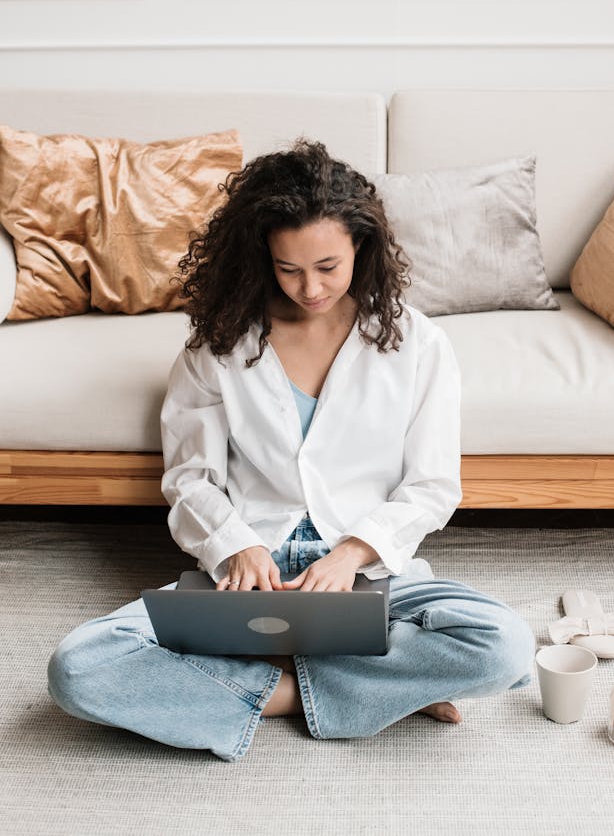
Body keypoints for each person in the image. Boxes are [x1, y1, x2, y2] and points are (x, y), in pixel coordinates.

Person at [47, 140, 535, 761]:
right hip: (250, 573)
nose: (311, 288)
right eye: (289, 269)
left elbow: (432, 485)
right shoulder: (219, 344)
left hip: (370, 573)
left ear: (361, 245)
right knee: (79, 668)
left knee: (505, 646)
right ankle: (368, 691)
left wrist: (352, 555)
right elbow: (191, 478)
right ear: (262, 257)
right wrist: (237, 545)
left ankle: (268, 683)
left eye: (329, 266)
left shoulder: (418, 344)